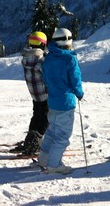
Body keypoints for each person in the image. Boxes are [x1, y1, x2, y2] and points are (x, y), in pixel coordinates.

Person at [38, 28, 84, 174]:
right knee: (62, 136)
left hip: (53, 101)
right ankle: (54, 164)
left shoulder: (49, 57)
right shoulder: (70, 58)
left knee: (52, 132)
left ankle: (43, 159)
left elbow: (45, 79)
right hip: (66, 102)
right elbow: (75, 79)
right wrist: (79, 93)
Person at [12, 31, 49, 155]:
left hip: (34, 94)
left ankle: (29, 141)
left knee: (36, 115)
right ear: (43, 44)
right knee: (45, 117)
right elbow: (47, 76)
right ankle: (35, 142)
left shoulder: (26, 58)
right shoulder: (41, 60)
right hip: (44, 93)